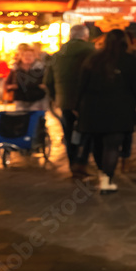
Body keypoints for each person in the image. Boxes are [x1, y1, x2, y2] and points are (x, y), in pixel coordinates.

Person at [76, 29, 136, 193]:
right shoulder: (130, 61)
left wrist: (77, 106)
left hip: (93, 107)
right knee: (113, 145)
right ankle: (107, 179)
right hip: (120, 108)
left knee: (98, 143)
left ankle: (102, 172)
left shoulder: (93, 59)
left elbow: (81, 85)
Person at [45, 24, 94, 176]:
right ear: (85, 36)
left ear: (70, 36)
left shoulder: (58, 54)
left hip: (65, 100)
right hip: (87, 99)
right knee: (89, 131)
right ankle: (82, 161)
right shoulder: (91, 51)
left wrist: (55, 96)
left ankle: (72, 162)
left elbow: (48, 80)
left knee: (68, 130)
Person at [4, 44, 47, 110]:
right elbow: (7, 84)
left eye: (30, 55)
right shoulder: (15, 70)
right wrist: (10, 87)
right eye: (25, 55)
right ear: (21, 57)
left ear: (34, 57)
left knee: (35, 119)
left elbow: (46, 84)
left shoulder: (40, 69)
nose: (28, 57)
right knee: (21, 118)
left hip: (37, 100)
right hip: (20, 100)